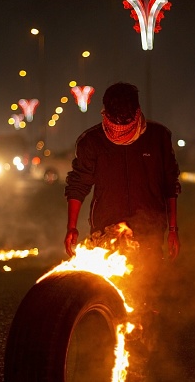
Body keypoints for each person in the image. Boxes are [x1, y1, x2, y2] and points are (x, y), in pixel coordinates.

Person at [63, 82, 181, 264]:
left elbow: (170, 184)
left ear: (137, 112)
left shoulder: (158, 138)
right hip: (105, 229)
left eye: (126, 126)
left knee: (149, 286)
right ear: (105, 113)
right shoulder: (92, 142)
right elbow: (78, 184)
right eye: (115, 125)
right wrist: (72, 227)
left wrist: (173, 229)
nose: (120, 132)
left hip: (149, 229)